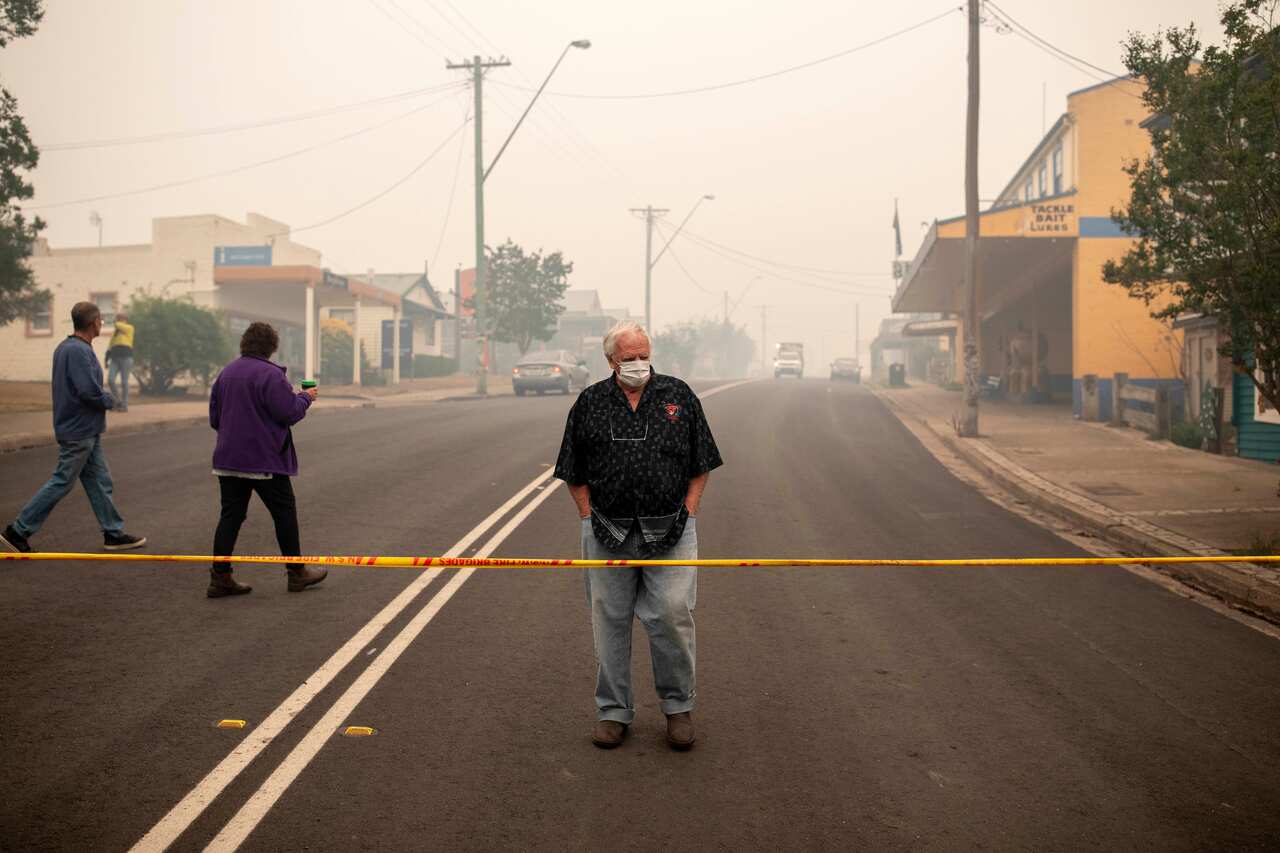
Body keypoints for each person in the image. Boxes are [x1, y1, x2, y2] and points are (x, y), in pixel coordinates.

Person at [554, 320, 723, 751]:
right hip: (606, 530)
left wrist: (689, 507)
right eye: (628, 358)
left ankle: (678, 707)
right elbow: (572, 468)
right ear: (610, 360)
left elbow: (702, 459)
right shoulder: (590, 402)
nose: (638, 365)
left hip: (672, 529)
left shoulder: (678, 396)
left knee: (670, 614)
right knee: (608, 619)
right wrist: (588, 515)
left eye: (643, 355)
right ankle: (613, 712)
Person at [1, 302, 147, 554]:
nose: (102, 324)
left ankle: (113, 533)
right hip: (78, 430)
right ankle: (18, 530)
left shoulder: (68, 347)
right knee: (62, 481)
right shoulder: (78, 351)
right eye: (100, 320)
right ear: (93, 323)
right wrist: (110, 400)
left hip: (86, 429)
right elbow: (87, 390)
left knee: (100, 481)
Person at [206, 322, 327, 598]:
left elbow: (216, 419)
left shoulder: (226, 373)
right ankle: (297, 573)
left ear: (244, 344)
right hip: (264, 461)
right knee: (284, 513)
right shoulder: (271, 375)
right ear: (272, 347)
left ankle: (220, 577)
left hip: (227, 459)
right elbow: (288, 413)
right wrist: (305, 398)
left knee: (230, 516)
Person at [105, 310, 134, 412]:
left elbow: (120, 326)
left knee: (124, 382)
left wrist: (114, 321)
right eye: (118, 318)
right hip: (115, 358)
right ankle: (118, 402)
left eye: (121, 318)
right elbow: (110, 346)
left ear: (125, 320)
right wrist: (106, 359)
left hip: (126, 358)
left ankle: (124, 405)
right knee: (110, 380)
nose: (119, 320)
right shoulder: (115, 333)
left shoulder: (129, 328)